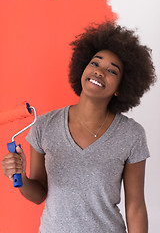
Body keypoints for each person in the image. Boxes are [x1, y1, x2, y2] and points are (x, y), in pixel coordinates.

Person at [1, 21, 156, 233]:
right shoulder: (44, 126)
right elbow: (38, 194)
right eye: (95, 63)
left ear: (121, 88)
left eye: (112, 71)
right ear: (83, 68)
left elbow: (135, 207)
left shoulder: (131, 135)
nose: (100, 72)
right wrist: (21, 177)